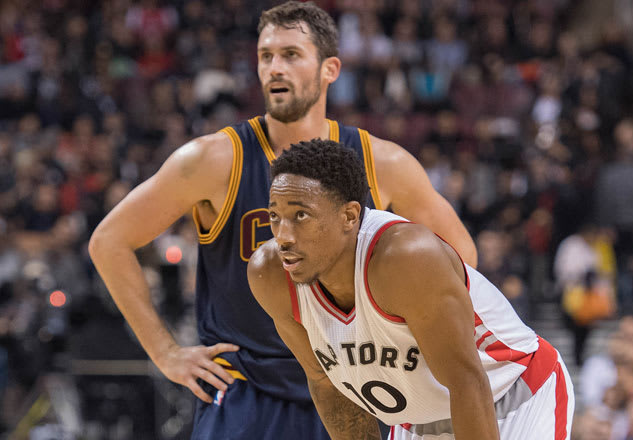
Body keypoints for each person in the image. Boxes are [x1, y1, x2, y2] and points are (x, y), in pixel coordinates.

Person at [88, 2, 477, 439]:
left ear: (330, 69)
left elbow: (461, 257)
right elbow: (109, 241)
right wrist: (164, 352)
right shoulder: (215, 159)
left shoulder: (380, 162)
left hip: (353, 383)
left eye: (291, 54)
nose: (274, 67)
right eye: (265, 56)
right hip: (247, 388)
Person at [248, 139, 575, 440]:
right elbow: (326, 384)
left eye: (300, 215)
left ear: (349, 216)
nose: (284, 235)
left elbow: (467, 382)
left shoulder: (406, 258)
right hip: (417, 418)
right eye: (275, 217)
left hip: (509, 391)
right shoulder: (271, 273)